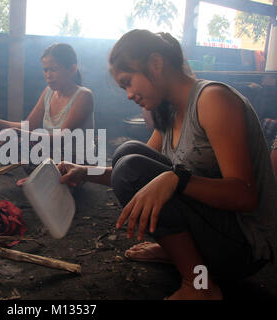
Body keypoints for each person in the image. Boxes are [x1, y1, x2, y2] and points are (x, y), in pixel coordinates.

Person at [58, 29, 276, 300]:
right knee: (127, 152)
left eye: (128, 82)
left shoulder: (213, 100)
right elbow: (135, 173)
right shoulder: (170, 111)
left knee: (139, 167)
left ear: (156, 64)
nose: (128, 94)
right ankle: (177, 252)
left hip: (243, 246)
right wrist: (85, 172)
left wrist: (176, 179)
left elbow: (245, 196)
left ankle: (200, 285)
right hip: (213, 232)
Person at [0, 42, 94, 138]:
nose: (48, 75)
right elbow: (29, 126)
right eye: (45, 70)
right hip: (52, 156)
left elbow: (62, 138)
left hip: (79, 161)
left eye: (54, 69)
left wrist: (19, 134)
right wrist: (0, 123)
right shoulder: (49, 92)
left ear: (71, 69)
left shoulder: (83, 96)